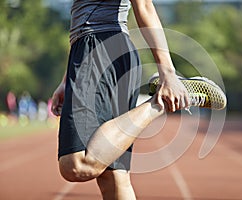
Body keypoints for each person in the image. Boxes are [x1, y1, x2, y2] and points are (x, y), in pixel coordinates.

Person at [51, 0, 190, 199]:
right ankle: (159, 102)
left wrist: (168, 73)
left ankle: (158, 104)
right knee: (115, 179)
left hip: (100, 51)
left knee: (75, 164)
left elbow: (144, 7)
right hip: (97, 51)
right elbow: (82, 16)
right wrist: (68, 78)